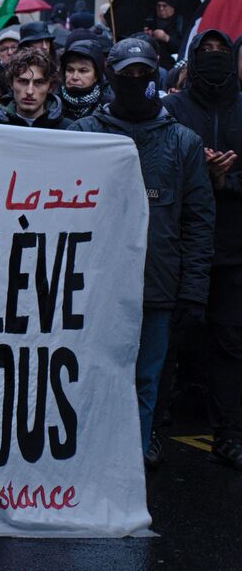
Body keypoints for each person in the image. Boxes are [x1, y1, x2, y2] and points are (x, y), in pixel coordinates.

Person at [68, 37, 214, 462]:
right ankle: (87, 457)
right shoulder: (83, 135)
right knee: (90, 375)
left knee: (147, 379)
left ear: (155, 74)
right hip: (93, 286)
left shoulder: (184, 142)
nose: (134, 81)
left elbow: (198, 222)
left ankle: (132, 458)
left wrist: (193, 291)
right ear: (110, 75)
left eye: (142, 74)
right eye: (126, 74)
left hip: (158, 285)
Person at [162, 30, 242, 471]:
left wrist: (227, 180)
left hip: (232, 249)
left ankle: (229, 433)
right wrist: (199, 172)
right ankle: (156, 429)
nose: (213, 58)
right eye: (205, 52)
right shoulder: (174, 110)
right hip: (181, 246)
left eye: (220, 52)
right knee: (172, 339)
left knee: (229, 342)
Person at [0, 46, 67, 128]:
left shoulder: (68, 129)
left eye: (39, 82)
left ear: (50, 87)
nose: (29, 91)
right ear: (11, 83)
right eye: (23, 81)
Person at [60, 40, 111, 122]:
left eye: (83, 71)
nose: (75, 77)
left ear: (96, 76)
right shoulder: (52, 105)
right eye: (70, 70)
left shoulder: (108, 107)